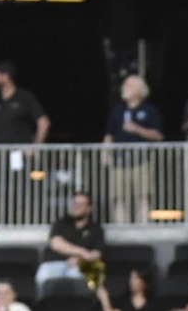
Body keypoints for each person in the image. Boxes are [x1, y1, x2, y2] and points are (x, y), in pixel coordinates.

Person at [104, 75, 165, 224]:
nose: (124, 88)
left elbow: (158, 135)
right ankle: (120, 227)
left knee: (143, 196)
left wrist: (138, 129)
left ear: (140, 90)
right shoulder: (117, 111)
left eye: (129, 85)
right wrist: (105, 153)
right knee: (119, 197)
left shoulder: (149, 110)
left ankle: (143, 228)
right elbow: (109, 134)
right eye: (124, 85)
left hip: (142, 161)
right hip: (119, 161)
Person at [40, 192, 107, 287]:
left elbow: (97, 254)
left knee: (94, 270)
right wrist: (83, 252)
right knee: (43, 274)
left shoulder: (96, 229)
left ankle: (93, 301)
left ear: (89, 208)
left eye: (80, 204)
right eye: (75, 204)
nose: (76, 207)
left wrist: (80, 260)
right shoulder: (61, 223)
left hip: (80, 266)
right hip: (54, 264)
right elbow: (57, 244)